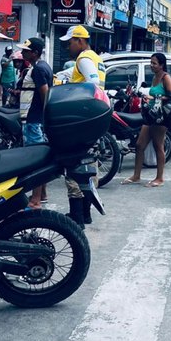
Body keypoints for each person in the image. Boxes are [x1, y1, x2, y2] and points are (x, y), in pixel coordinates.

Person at [60, 24, 105, 226]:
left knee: (74, 164)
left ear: (79, 41)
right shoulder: (96, 58)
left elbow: (92, 83)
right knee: (89, 163)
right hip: (94, 117)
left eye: (70, 42)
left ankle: (77, 217)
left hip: (81, 118)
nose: (68, 47)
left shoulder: (84, 58)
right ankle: (85, 214)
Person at [123, 53, 171, 188]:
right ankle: (136, 176)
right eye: (151, 62)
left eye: (154, 63)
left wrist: (155, 98)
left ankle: (159, 178)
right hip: (150, 115)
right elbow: (155, 94)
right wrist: (148, 99)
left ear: (161, 65)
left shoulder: (166, 77)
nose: (151, 65)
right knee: (139, 145)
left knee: (158, 146)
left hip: (161, 116)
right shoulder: (155, 77)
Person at [18, 37, 53, 208]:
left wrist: (44, 117)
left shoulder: (38, 69)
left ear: (35, 53)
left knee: (35, 161)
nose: (22, 53)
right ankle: (42, 194)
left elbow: (45, 94)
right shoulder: (42, 66)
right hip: (35, 120)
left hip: (33, 120)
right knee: (40, 158)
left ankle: (35, 200)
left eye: (26, 51)